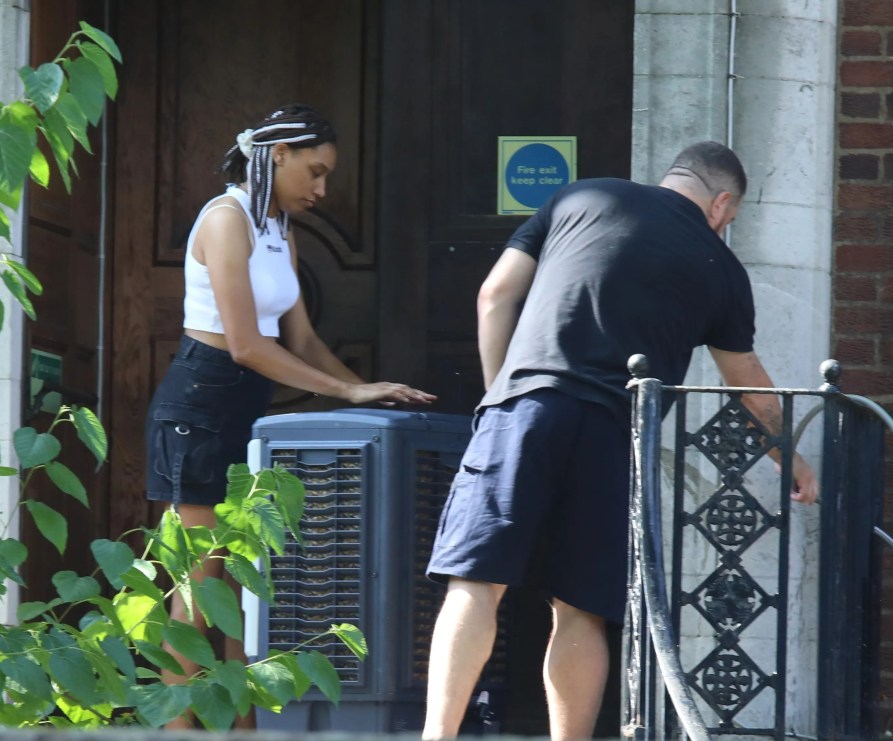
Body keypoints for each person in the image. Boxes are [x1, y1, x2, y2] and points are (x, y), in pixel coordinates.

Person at [422, 141, 819, 740]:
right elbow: (748, 386)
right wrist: (790, 457)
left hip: (526, 406)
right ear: (721, 203)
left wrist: (496, 395)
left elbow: (494, 294)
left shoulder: (580, 197)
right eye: (730, 220)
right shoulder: (720, 266)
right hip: (613, 430)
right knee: (581, 607)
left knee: (477, 583)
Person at [144, 104, 435, 730]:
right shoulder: (226, 219)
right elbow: (247, 343)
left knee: (241, 591)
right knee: (196, 591)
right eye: (317, 171)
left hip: (247, 406)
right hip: (200, 403)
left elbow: (298, 339)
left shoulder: (279, 226)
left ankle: (242, 729)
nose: (323, 189)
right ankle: (175, 730)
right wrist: (345, 393)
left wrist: (371, 393)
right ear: (278, 156)